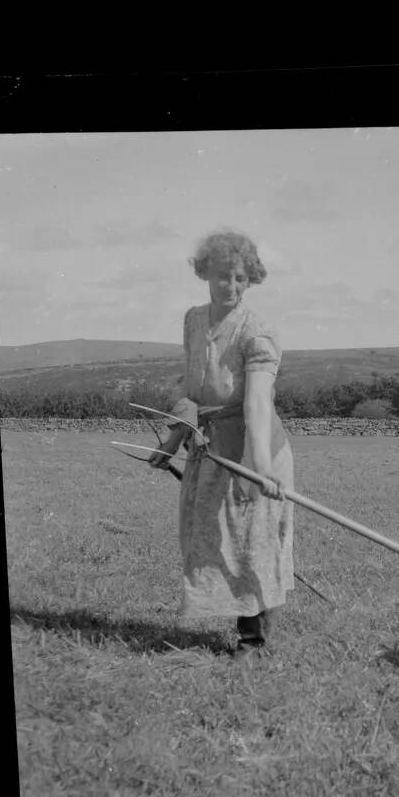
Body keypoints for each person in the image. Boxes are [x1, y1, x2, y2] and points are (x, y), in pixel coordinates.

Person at [150, 230, 295, 661]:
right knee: (218, 539)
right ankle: (251, 627)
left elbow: (256, 405)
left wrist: (260, 469)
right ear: (204, 275)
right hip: (207, 445)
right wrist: (174, 440)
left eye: (239, 278)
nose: (229, 286)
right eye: (220, 277)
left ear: (250, 279)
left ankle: (253, 641)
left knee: (251, 539)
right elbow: (192, 388)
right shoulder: (194, 320)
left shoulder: (258, 333)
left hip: (255, 443)